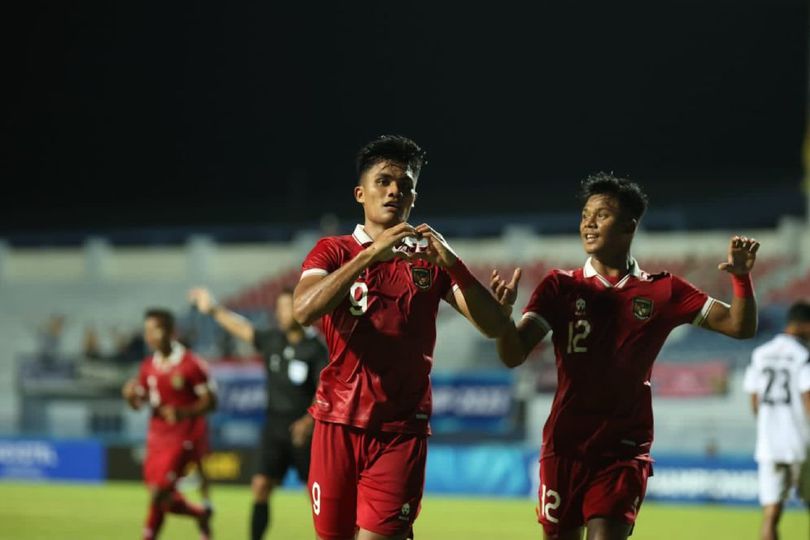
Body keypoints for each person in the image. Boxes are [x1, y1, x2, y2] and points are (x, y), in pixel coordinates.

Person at [491, 172, 760, 540]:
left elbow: (739, 326)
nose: (588, 222)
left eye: (601, 214)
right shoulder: (559, 286)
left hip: (624, 449)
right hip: (565, 446)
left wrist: (742, 279)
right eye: (585, 213)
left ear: (629, 226)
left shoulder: (665, 290)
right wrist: (503, 320)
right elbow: (512, 354)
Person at [292, 134, 512, 540]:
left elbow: (496, 327)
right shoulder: (333, 251)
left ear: (414, 197)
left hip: (400, 429)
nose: (395, 190)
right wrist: (371, 255)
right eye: (384, 181)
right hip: (337, 424)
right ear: (361, 193)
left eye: (406, 184)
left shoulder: (430, 260)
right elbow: (304, 310)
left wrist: (456, 265)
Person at [188, 286, 328, 540]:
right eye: (279, 309)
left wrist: (309, 420)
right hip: (274, 426)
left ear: (301, 308)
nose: (282, 314)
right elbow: (241, 328)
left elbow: (324, 389)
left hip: (305, 430)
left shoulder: (315, 348)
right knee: (260, 486)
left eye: (287, 308)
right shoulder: (272, 340)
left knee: (317, 495)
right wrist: (214, 309)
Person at [122, 308, 217, 540]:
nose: (149, 336)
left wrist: (184, 412)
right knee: (159, 494)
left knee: (159, 492)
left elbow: (211, 402)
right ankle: (200, 514)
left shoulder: (190, 364)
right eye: (147, 331)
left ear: (170, 332)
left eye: (154, 330)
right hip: (156, 438)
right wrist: (129, 396)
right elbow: (140, 402)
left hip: (182, 437)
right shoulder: (148, 366)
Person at [743, 301, 810, 540]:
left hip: (769, 444)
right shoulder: (804, 356)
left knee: (771, 514)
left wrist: (768, 425)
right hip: (802, 443)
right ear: (803, 325)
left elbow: (754, 400)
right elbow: (808, 397)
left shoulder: (760, 354)